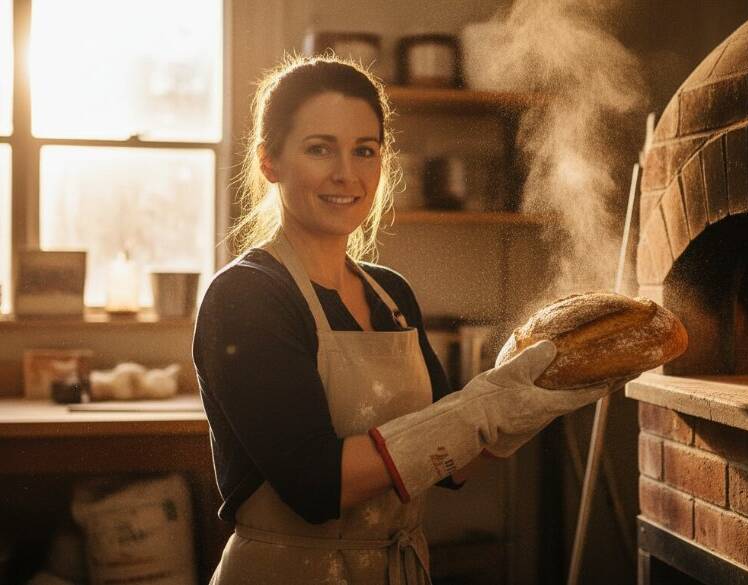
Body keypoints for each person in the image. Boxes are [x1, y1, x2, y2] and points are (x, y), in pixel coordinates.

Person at [193, 54, 622, 585]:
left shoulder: (390, 294)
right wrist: (483, 406)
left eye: (365, 151)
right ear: (269, 162)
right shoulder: (246, 295)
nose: (346, 174)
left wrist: (530, 401)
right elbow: (316, 487)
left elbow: (451, 466)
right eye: (319, 148)